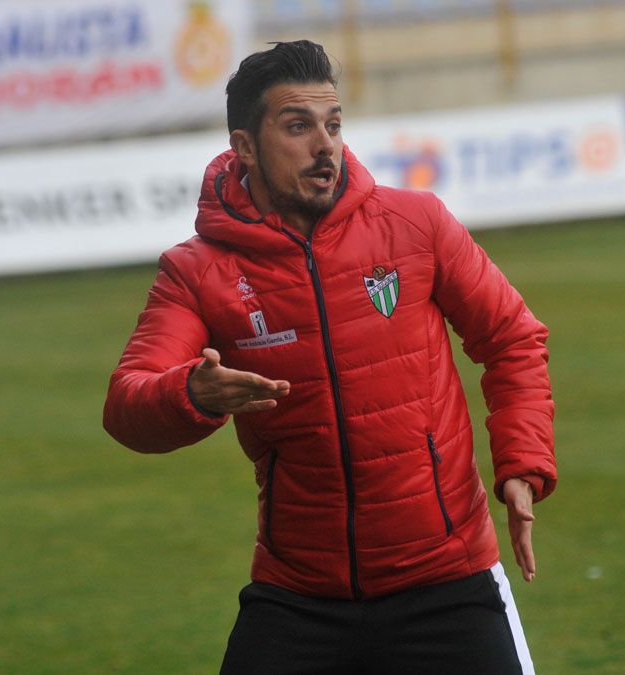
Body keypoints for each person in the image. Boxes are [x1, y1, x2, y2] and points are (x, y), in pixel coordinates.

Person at [103, 40, 556, 674]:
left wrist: (523, 461)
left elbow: (512, 338)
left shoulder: (415, 223)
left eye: (333, 124)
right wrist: (190, 395)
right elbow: (127, 404)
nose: (325, 145)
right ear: (245, 147)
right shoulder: (197, 271)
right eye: (298, 126)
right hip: (299, 598)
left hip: (447, 579)